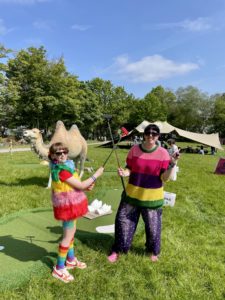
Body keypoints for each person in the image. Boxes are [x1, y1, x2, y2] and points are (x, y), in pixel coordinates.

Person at [107, 124, 179, 263]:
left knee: (153, 228)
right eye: (148, 133)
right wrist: (125, 172)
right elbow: (129, 168)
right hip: (132, 195)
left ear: (158, 136)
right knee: (122, 222)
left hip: (152, 198)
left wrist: (172, 163)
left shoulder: (163, 153)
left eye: (154, 133)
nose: (150, 136)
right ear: (144, 134)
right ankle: (118, 249)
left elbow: (164, 178)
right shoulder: (134, 150)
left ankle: (152, 251)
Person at [49, 142, 104, 283]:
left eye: (64, 152)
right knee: (67, 237)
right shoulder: (62, 170)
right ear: (53, 155)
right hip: (68, 207)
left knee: (71, 233)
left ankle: (71, 260)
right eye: (58, 153)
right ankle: (59, 268)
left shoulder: (67, 166)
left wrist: (85, 187)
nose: (62, 155)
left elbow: (75, 185)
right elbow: (80, 184)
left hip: (71, 204)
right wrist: (95, 175)